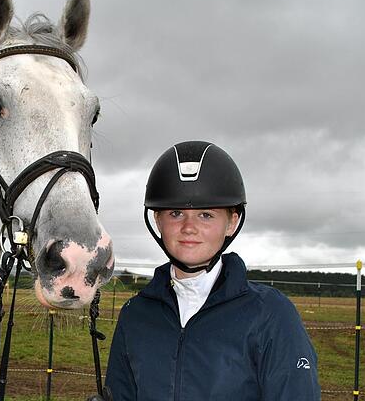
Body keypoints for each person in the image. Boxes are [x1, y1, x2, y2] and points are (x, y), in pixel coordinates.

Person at [102, 141, 321, 401]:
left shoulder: (271, 314)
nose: (189, 227)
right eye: (175, 213)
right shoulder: (135, 314)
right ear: (157, 221)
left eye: (205, 215)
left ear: (232, 222)